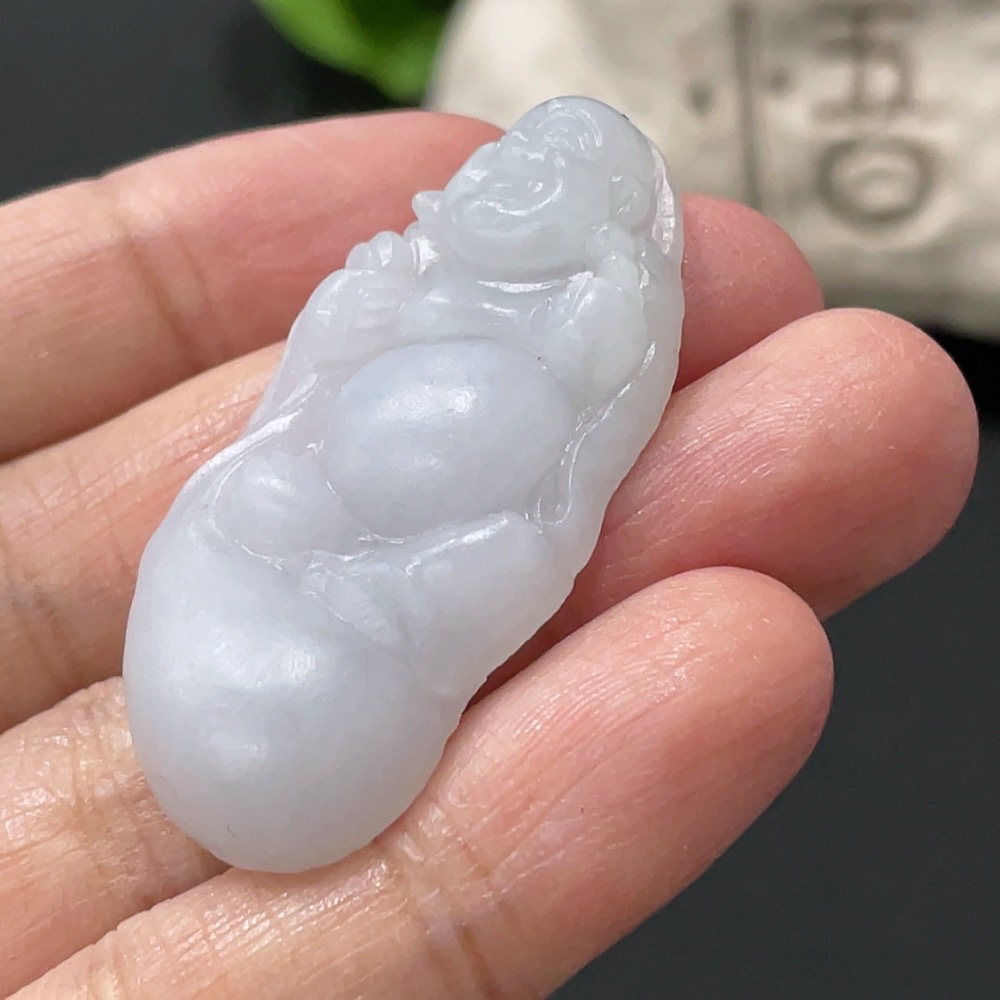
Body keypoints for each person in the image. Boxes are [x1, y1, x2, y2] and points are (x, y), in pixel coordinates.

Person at [0, 111, 978, 998]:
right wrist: (354, 316)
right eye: (503, 163)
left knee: (496, 558)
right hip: (312, 515)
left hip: (428, 557)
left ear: (602, 221)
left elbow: (563, 476)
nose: (507, 181)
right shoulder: (412, 282)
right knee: (260, 496)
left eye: (551, 178)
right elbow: (309, 386)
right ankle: (305, 604)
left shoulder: (595, 316)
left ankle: (373, 615)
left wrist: (605, 315)